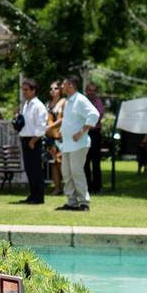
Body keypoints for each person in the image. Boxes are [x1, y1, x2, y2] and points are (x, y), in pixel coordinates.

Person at [57, 75, 99, 211]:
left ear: (71, 85)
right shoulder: (68, 100)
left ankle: (84, 202)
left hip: (79, 143)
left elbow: (94, 114)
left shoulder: (80, 99)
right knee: (67, 173)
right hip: (68, 144)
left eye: (63, 84)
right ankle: (71, 201)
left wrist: (81, 132)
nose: (61, 87)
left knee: (76, 172)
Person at [17, 79, 48, 204]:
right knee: (29, 169)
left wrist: (34, 140)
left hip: (33, 140)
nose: (24, 92)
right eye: (23, 89)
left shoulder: (38, 105)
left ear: (33, 90)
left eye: (26, 90)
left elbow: (41, 125)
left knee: (35, 169)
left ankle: (39, 197)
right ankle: (32, 194)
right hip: (26, 138)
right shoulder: (26, 104)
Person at [83, 82, 105, 193]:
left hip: (95, 133)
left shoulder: (98, 102)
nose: (91, 92)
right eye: (89, 90)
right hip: (84, 133)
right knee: (85, 161)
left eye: (93, 90)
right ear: (86, 91)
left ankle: (97, 187)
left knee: (95, 162)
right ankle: (87, 186)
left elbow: (99, 114)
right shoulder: (83, 101)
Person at [46, 81, 67, 195]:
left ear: (60, 90)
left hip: (61, 137)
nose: (53, 90)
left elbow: (63, 119)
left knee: (63, 164)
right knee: (53, 163)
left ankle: (66, 187)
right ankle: (57, 188)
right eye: (51, 88)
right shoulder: (48, 104)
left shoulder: (63, 102)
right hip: (50, 138)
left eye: (55, 88)